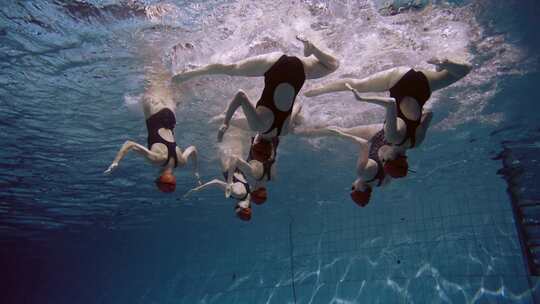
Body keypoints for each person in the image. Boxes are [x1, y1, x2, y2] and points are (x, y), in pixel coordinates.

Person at [303, 58, 472, 149]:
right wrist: (363, 99)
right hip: (400, 81)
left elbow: (429, 113)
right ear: (388, 157)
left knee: (464, 71)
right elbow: (391, 103)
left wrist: (413, 111)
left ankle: (445, 63)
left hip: (423, 86)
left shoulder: (416, 143)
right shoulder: (393, 138)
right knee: (358, 84)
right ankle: (319, 90)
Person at [104, 60, 200, 193]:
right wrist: (116, 162)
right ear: (160, 177)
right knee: (152, 76)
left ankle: (184, 66)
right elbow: (129, 143)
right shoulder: (157, 160)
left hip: (171, 118)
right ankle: (154, 53)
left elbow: (193, 149)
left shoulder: (182, 162)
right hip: (155, 115)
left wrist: (195, 170)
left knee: (168, 87)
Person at [184, 128, 269, 221]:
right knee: (221, 139)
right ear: (239, 207)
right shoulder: (238, 194)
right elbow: (215, 182)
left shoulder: (248, 195)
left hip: (235, 164)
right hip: (228, 164)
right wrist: (197, 189)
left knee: (235, 133)